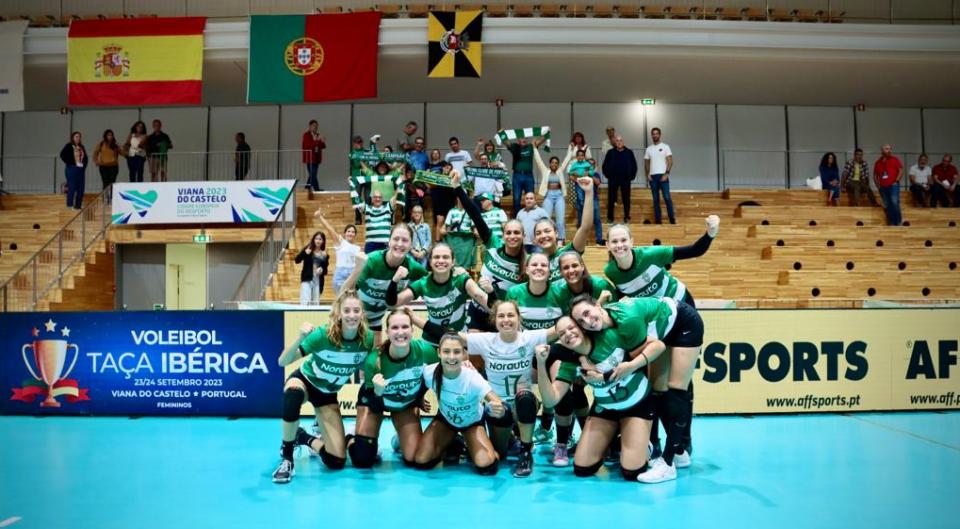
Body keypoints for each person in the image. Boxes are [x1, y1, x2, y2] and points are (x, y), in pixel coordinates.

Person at [412, 300, 559, 478]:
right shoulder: (486, 340)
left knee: (525, 398)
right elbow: (449, 336)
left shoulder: (530, 338)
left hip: (522, 406)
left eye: (511, 315)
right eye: (501, 316)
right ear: (494, 320)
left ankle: (525, 453)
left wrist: (592, 309)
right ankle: (499, 440)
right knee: (496, 456)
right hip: (499, 409)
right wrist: (414, 318)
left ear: (519, 318)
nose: (506, 320)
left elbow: (562, 329)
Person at [570, 295, 705, 483]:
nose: (587, 321)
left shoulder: (628, 321)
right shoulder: (603, 324)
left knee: (676, 390)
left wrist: (605, 376)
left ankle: (667, 463)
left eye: (587, 313)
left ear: (598, 306)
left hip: (683, 323)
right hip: (660, 329)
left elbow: (640, 356)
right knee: (658, 390)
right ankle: (679, 454)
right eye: (581, 321)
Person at [535, 316, 666, 480]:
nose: (567, 334)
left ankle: (644, 443)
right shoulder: (570, 363)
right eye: (561, 334)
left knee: (632, 471)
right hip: (606, 408)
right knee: (582, 468)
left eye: (571, 328)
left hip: (636, 404)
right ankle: (617, 439)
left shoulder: (611, 336)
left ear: (582, 327)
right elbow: (550, 400)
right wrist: (541, 363)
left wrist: (631, 366)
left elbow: (658, 345)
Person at [272, 290, 376, 483]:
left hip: (327, 396)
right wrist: (300, 338)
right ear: (339, 313)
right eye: (347, 310)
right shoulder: (322, 335)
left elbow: (367, 368)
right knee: (292, 396)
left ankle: (303, 437)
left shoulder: (367, 340)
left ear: (362, 313)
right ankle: (287, 458)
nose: (352, 315)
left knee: (336, 461)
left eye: (356, 310)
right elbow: (282, 361)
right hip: (305, 381)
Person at [354, 308, 436, 468]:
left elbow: (430, 379)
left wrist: (419, 398)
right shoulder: (374, 361)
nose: (400, 332)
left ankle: (401, 439)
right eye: (395, 328)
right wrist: (378, 393)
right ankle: (353, 434)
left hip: (404, 405)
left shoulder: (426, 352)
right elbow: (374, 403)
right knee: (362, 458)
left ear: (413, 329)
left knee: (413, 458)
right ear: (387, 331)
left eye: (405, 327)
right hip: (375, 401)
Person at [414, 332, 504, 475]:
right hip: (446, 421)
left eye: (456, 352)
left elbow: (495, 400)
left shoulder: (472, 378)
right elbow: (421, 386)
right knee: (421, 460)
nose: (451, 357)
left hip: (472, 423)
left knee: (486, 466)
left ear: (463, 354)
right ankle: (454, 442)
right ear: (439, 353)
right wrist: (420, 399)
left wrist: (498, 408)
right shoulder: (430, 372)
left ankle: (480, 447)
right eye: (446, 352)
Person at [342, 224, 429, 345]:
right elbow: (343, 293)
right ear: (389, 241)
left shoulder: (412, 267)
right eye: (396, 239)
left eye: (405, 240)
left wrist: (454, 271)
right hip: (353, 318)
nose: (399, 244)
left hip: (376, 321)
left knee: (374, 359)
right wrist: (357, 268)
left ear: (410, 245)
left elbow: (433, 279)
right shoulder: (372, 261)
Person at [387, 244, 491, 345]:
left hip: (458, 340)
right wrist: (394, 280)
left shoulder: (462, 279)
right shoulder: (422, 284)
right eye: (436, 257)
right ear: (430, 261)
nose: (441, 261)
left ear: (453, 261)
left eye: (445, 257)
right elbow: (393, 303)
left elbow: (485, 300)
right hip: (431, 340)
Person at [603, 216, 720, 304]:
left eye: (623, 240)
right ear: (607, 245)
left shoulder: (652, 254)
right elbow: (624, 290)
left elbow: (695, 250)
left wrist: (711, 233)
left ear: (632, 242)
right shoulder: (610, 271)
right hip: (657, 313)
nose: (619, 245)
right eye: (614, 241)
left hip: (679, 300)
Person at [533, 178, 596, 282]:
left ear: (557, 233)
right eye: (538, 233)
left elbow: (585, 227)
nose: (543, 235)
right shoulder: (535, 263)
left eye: (547, 231)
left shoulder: (569, 252)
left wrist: (589, 192)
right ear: (534, 240)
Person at [533, 138, 573, 243]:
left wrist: (570, 148)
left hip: (559, 196)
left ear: (558, 164)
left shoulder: (560, 171)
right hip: (548, 196)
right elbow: (538, 160)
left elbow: (567, 159)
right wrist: (534, 148)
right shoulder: (545, 171)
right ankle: (547, 237)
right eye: (552, 162)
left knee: (560, 220)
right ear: (549, 164)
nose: (554, 164)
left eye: (556, 163)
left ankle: (560, 239)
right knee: (546, 218)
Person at [314, 209, 361, 296]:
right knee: (340, 300)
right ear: (345, 233)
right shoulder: (340, 242)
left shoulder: (357, 248)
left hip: (352, 275)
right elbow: (330, 229)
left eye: (353, 232)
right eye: (349, 231)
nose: (351, 233)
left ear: (355, 234)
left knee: (351, 301)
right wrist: (320, 217)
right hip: (340, 275)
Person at [361, 182, 405, 254]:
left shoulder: (387, 207)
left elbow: (395, 196)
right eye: (375, 197)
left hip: (385, 243)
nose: (377, 199)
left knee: (385, 265)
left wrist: (400, 182)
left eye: (379, 197)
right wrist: (352, 184)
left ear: (382, 199)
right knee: (370, 264)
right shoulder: (367, 208)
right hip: (370, 244)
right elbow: (357, 201)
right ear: (372, 199)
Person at [602, 135, 638, 223]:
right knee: (611, 199)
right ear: (615, 142)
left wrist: (631, 177)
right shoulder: (610, 152)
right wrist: (608, 175)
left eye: (620, 140)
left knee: (626, 199)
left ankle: (627, 217)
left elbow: (634, 166)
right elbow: (604, 166)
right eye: (617, 141)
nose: (619, 142)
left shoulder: (629, 152)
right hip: (613, 179)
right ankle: (610, 218)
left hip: (625, 179)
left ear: (623, 142)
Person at [645, 128, 676, 223]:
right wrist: (648, 174)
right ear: (651, 135)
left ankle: (672, 219)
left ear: (660, 135)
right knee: (655, 200)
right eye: (653, 134)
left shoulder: (665, 146)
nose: (655, 135)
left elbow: (670, 161)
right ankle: (658, 221)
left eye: (656, 134)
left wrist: (667, 173)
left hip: (663, 176)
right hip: (653, 177)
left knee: (667, 197)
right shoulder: (649, 149)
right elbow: (646, 162)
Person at [440, 196, 478, 270]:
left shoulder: (470, 211)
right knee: (454, 256)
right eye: (461, 197)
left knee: (466, 257)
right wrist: (444, 231)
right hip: (453, 238)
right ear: (457, 198)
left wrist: (476, 232)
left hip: (467, 239)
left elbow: (474, 227)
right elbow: (447, 227)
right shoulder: (451, 211)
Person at [294, 231, 328, 305]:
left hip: (318, 280)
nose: (318, 241)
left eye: (320, 239)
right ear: (313, 239)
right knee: (305, 302)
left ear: (323, 241)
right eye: (316, 238)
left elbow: (325, 270)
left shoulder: (324, 254)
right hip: (307, 278)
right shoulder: (308, 248)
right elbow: (297, 260)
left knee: (315, 303)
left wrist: (322, 269)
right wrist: (305, 253)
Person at [873, 144, 903, 226]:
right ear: (882, 151)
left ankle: (899, 221)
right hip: (883, 187)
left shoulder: (895, 159)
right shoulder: (878, 162)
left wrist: (896, 181)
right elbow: (875, 175)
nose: (889, 150)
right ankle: (892, 222)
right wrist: (878, 186)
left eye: (890, 149)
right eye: (886, 149)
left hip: (893, 185)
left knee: (894, 202)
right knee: (887, 205)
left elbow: (900, 170)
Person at [505, 135, 536, 215]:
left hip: (528, 176)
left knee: (530, 197)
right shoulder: (515, 147)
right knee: (516, 198)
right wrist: (502, 134)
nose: (524, 139)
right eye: (522, 138)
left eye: (526, 138)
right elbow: (506, 142)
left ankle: (531, 216)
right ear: (518, 140)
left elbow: (541, 140)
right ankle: (517, 218)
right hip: (517, 176)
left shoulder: (530, 146)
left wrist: (546, 132)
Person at [59, 131, 88, 210]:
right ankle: (69, 205)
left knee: (81, 188)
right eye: (76, 136)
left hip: (81, 170)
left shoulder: (82, 147)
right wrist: (71, 162)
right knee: (72, 186)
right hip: (71, 169)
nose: (78, 138)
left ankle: (78, 206)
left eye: (79, 137)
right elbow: (62, 155)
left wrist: (84, 166)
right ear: (73, 138)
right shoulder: (68, 146)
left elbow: (85, 158)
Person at [93, 129, 119, 197]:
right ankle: (105, 199)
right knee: (105, 182)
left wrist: (128, 152)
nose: (110, 136)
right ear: (105, 136)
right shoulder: (101, 144)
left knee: (112, 182)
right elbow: (95, 153)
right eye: (108, 135)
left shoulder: (115, 145)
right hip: (103, 166)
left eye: (111, 135)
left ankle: (112, 198)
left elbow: (123, 153)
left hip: (113, 166)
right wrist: (96, 161)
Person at [302, 120, 326, 191]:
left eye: (316, 126)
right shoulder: (306, 135)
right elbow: (308, 145)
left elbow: (323, 146)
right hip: (310, 158)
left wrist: (322, 141)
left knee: (313, 174)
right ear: (310, 126)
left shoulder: (318, 135)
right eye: (314, 126)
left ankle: (313, 188)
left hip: (316, 157)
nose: (315, 128)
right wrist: (316, 141)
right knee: (313, 174)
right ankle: (311, 188)